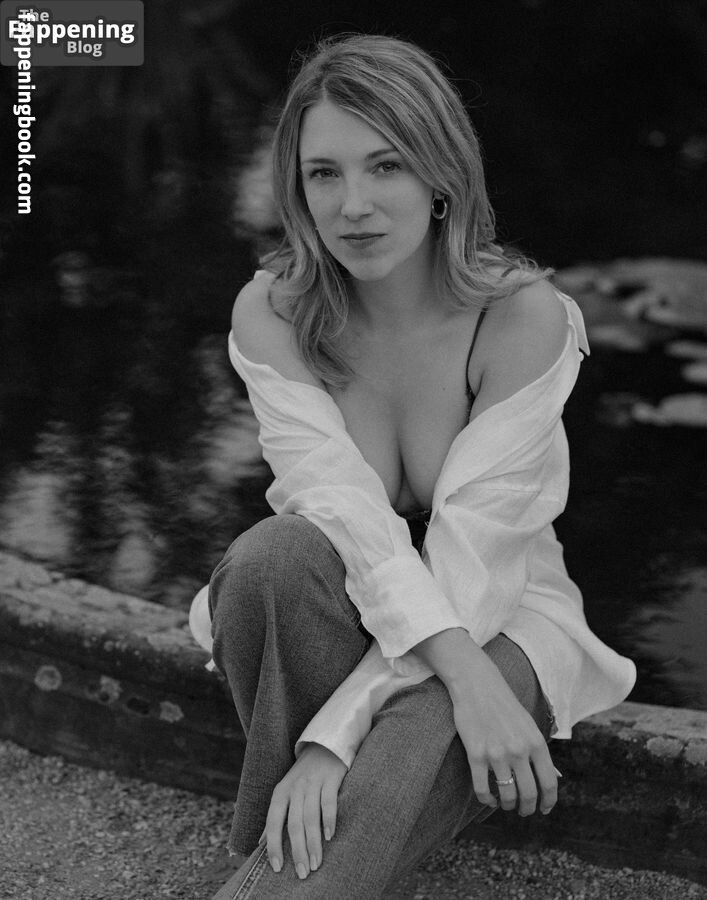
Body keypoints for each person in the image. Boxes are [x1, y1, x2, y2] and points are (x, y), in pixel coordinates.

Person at [189, 33, 636, 899]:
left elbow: (474, 566)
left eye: (386, 166)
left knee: (423, 723)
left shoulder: (519, 318)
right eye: (324, 174)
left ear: (440, 175)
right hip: (347, 596)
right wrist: (336, 738)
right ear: (297, 188)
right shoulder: (275, 312)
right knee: (269, 560)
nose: (353, 205)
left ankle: (269, 866)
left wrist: (334, 741)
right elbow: (341, 515)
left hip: (497, 616)